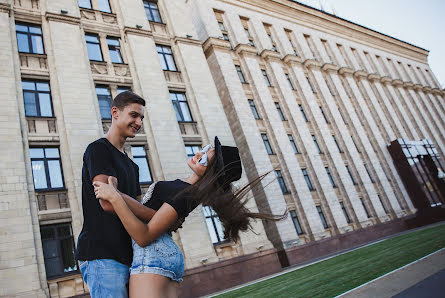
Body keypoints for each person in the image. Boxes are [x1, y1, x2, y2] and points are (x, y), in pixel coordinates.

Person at [93, 136, 284, 298]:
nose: (198, 154)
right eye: (205, 149)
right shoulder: (183, 186)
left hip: (153, 254)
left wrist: (115, 198)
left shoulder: (188, 193)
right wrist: (117, 194)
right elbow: (151, 213)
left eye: (205, 160)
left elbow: (144, 236)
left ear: (211, 173)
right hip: (161, 254)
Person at [76, 91, 162, 298]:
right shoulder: (98, 149)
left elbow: (132, 209)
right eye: (134, 115)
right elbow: (108, 202)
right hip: (102, 254)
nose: (139, 122)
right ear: (115, 112)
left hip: (129, 255)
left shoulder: (133, 166)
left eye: (141, 117)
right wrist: (156, 216)